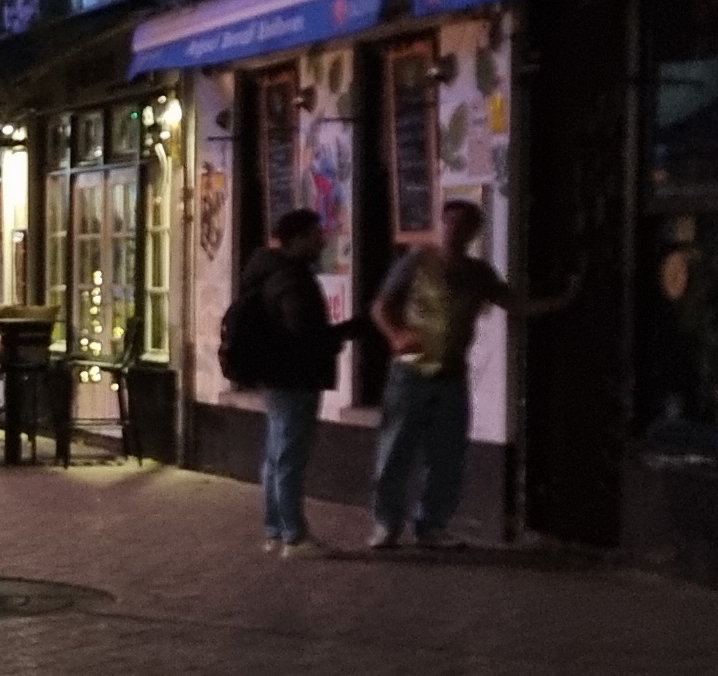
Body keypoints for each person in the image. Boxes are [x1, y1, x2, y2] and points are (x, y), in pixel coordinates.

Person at [364, 197, 573, 549]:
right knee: (396, 450)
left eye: (464, 226)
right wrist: (396, 334)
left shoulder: (479, 273)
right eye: (450, 223)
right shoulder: (417, 260)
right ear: (441, 224)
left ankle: (432, 526)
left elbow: (514, 304)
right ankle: (386, 524)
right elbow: (380, 306)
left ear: (475, 231)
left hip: (451, 373)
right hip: (410, 369)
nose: (454, 231)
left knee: (447, 455)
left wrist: (560, 302)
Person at [223, 208, 346, 555]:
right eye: (316, 235)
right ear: (298, 238)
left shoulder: (267, 272)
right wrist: (339, 335)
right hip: (295, 377)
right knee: (290, 456)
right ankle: (294, 535)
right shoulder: (292, 279)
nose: (322, 241)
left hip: (276, 376)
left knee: (276, 455)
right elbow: (304, 332)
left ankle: (276, 530)